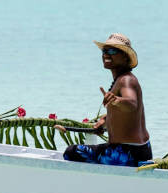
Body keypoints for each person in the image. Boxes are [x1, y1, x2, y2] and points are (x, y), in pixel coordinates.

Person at [58, 33, 152, 166]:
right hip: (140, 150)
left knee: (71, 152)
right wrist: (105, 121)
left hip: (127, 153)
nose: (106, 55)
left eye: (112, 51)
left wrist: (117, 100)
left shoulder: (126, 80)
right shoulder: (122, 79)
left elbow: (132, 103)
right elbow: (127, 115)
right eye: (104, 51)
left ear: (125, 57)